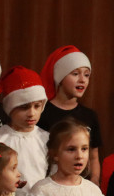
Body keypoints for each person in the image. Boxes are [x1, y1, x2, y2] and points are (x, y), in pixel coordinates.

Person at [0, 66, 49, 196]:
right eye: (24, 107)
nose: (32, 113)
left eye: (37, 106)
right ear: (10, 107)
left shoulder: (46, 138)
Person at [38, 46, 102, 184]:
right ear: (60, 78)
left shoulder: (89, 115)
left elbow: (93, 156)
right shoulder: (43, 113)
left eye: (86, 75)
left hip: (81, 185)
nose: (82, 80)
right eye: (75, 74)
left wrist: (95, 180)